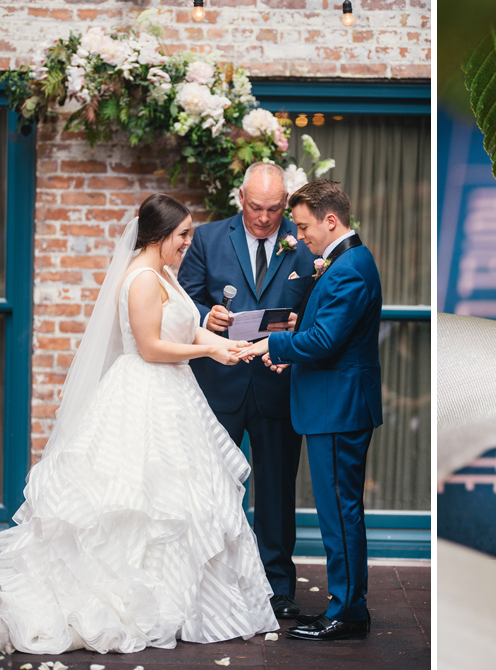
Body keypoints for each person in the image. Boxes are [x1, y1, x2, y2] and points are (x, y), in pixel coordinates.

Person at [0, 194, 278, 654]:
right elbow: (151, 348)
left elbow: (187, 326)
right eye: (182, 235)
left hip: (175, 395)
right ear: (159, 236)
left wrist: (226, 345)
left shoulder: (164, 274)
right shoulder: (140, 279)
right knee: (143, 501)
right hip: (145, 393)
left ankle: (185, 602)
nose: (189, 242)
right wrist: (208, 351)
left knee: (184, 502)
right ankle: (135, 603)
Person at [238, 180, 383, 641]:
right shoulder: (344, 263)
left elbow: (325, 342)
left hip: (337, 408)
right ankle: (348, 605)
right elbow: (325, 331)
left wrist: (274, 343)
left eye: (303, 227)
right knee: (339, 512)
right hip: (331, 403)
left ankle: (347, 613)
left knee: (340, 514)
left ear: (330, 220)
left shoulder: (348, 269)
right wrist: (293, 343)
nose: (300, 238)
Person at [177, 162, 317, 620]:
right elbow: (182, 298)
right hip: (220, 386)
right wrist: (206, 316)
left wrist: (300, 323)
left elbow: (318, 313)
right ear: (241, 199)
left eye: (274, 209)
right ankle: (210, 585)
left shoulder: (303, 249)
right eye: (256, 207)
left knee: (276, 493)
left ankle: (278, 590)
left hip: (276, 384)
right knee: (213, 489)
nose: (264, 218)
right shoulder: (208, 238)